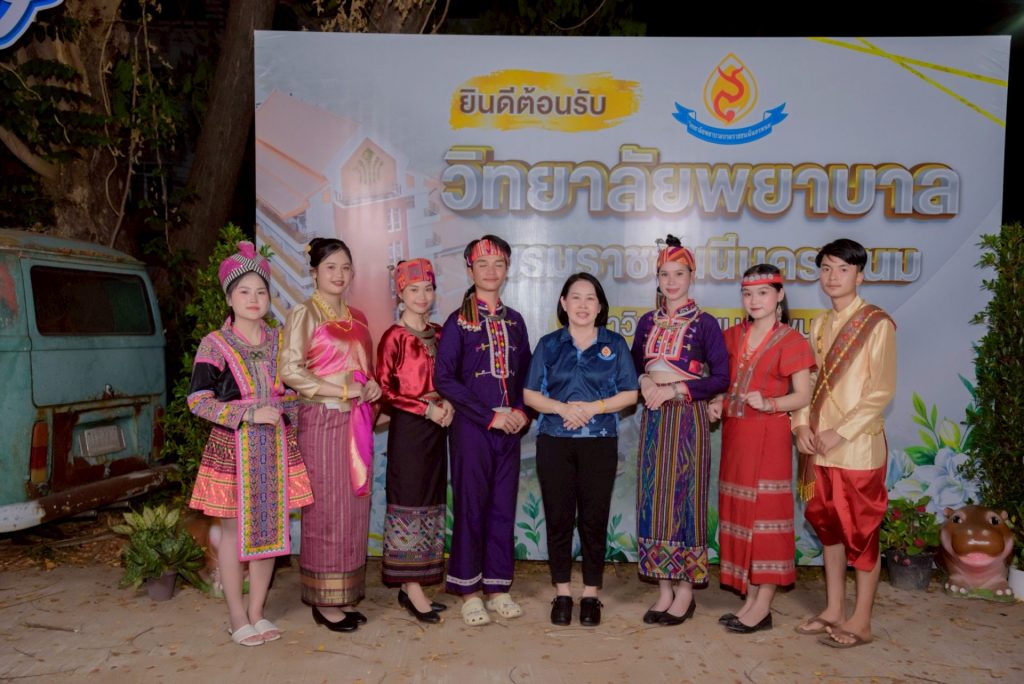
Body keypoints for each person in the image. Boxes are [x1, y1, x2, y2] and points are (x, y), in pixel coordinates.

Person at [188, 241, 313, 647]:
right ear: (229, 297)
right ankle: (236, 615)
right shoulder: (214, 344)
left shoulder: (281, 340)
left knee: (270, 531)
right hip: (232, 452)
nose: (254, 299)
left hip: (275, 450)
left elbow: (297, 392)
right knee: (232, 533)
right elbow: (198, 400)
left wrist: (286, 406)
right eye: (244, 291)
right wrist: (247, 414)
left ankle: (258, 611)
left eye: (261, 291)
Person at [791, 238, 896, 649]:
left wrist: (842, 431)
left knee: (862, 532)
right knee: (829, 528)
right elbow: (808, 382)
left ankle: (861, 620)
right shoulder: (819, 325)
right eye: (826, 268)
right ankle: (834, 609)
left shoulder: (876, 323)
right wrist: (801, 425)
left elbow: (881, 391)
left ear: (860, 275)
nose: (833, 277)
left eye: (843, 269)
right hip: (818, 447)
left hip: (857, 449)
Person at [523, 273, 638, 627]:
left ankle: (590, 593)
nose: (583, 305)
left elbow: (630, 394)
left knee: (593, 519)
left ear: (600, 306)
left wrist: (592, 408)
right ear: (564, 303)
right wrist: (562, 408)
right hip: (554, 441)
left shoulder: (614, 344)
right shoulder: (549, 344)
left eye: (591, 298)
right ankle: (562, 592)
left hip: (599, 442)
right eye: (576, 297)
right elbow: (530, 394)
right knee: (558, 518)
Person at [280, 237, 382, 633]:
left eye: (345, 267)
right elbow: (290, 370)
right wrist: (340, 390)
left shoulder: (359, 317)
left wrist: (370, 387)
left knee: (354, 508)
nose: (339, 275)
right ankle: (324, 600)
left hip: (357, 421)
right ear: (314, 272)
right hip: (322, 421)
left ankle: (344, 592)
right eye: (330, 267)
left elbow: (365, 369)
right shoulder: (303, 314)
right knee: (326, 507)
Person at [708, 264, 814, 634]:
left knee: (766, 519)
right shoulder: (731, 336)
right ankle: (751, 601)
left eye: (763, 293)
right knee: (740, 515)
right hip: (736, 437)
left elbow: (803, 395)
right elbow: (721, 383)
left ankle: (763, 604)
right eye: (748, 293)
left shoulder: (792, 341)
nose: (754, 300)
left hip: (770, 437)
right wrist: (715, 401)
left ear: (780, 295)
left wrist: (770, 403)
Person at [630, 234, 729, 626]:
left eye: (679, 274)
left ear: (691, 276)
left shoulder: (705, 324)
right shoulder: (646, 322)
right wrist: (644, 382)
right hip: (655, 420)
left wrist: (674, 389)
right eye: (664, 274)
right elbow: (632, 366)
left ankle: (686, 591)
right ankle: (664, 589)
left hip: (688, 417)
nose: (671, 282)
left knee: (685, 498)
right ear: (657, 278)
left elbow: (721, 377)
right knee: (653, 499)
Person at [433, 234, 532, 626]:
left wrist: (522, 411)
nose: (491, 271)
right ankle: (468, 590)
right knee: (471, 507)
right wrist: (489, 416)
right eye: (482, 264)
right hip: (473, 429)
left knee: (503, 507)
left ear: (507, 269)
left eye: (499, 264)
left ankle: (497, 586)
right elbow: (444, 378)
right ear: (469, 269)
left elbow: (527, 376)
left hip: (510, 430)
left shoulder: (516, 321)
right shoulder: (457, 322)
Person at [376, 258, 453, 624]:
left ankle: (415, 584)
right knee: (408, 501)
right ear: (400, 294)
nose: (422, 296)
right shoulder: (394, 337)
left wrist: (449, 402)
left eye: (428, 289)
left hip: (439, 426)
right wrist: (425, 409)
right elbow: (385, 391)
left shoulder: (440, 333)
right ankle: (411, 585)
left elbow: (451, 377)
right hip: (410, 427)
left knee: (431, 502)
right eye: (414, 290)